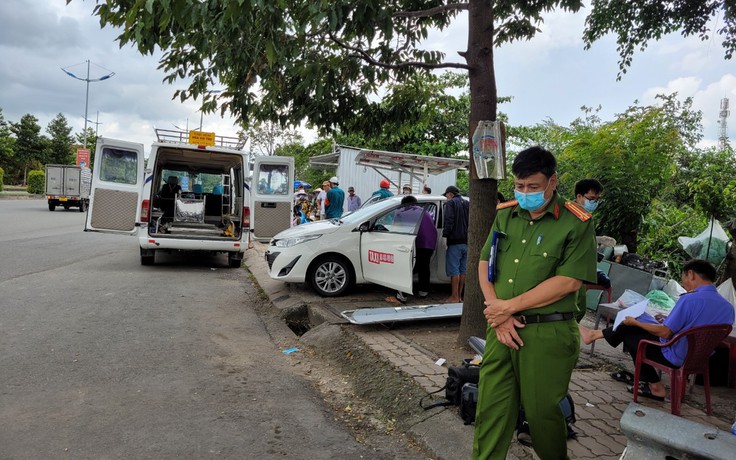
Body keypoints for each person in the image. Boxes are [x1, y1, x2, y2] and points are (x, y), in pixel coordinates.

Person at [473, 146, 598, 460]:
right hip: (502, 329)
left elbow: (568, 282)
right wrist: (497, 313)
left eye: (533, 187)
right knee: (491, 410)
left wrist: (508, 307)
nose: (525, 193)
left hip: (548, 333)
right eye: (519, 186)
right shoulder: (506, 214)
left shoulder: (576, 222)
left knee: (543, 415)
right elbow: (484, 262)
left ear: (553, 181)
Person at [579, 259, 735, 401]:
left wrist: (636, 323)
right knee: (636, 323)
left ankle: (656, 387)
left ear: (691, 274)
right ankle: (594, 335)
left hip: (673, 356)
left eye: (684, 277)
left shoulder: (690, 299)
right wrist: (666, 319)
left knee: (631, 332)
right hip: (700, 359)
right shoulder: (728, 308)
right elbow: (698, 327)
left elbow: (665, 333)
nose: (684, 282)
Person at [389, 196, 437, 303]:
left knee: (405, 268)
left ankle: (402, 296)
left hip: (414, 243)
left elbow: (396, 228)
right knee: (424, 267)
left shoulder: (402, 211)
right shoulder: (425, 211)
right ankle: (423, 292)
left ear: (404, 204)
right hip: (429, 244)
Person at [572, 178, 604, 322]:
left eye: (597, 199)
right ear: (579, 197)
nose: (595, 202)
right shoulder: (571, 216)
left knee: (579, 309)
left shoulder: (586, 218)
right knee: (574, 310)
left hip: (581, 274)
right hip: (570, 272)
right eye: (591, 198)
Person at [442, 185, 469, 303]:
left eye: (447, 195)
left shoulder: (451, 203)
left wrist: (445, 235)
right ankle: (460, 296)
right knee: (463, 270)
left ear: (450, 194)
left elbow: (449, 220)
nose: (447, 198)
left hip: (455, 241)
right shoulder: (467, 203)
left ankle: (454, 296)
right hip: (467, 242)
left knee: (454, 270)